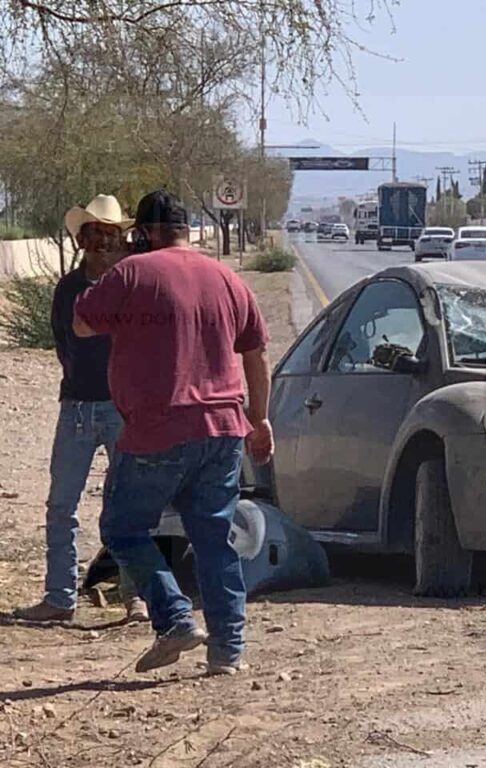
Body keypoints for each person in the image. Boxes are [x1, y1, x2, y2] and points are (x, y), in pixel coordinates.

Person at [73, 190, 274, 675]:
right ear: (187, 230)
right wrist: (261, 419)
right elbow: (256, 354)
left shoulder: (132, 273)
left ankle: (175, 618)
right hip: (224, 428)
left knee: (123, 527)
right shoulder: (228, 278)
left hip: (157, 428)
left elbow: (81, 323)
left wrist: (118, 269)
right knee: (213, 538)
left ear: (142, 233)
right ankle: (227, 651)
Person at [15, 195, 148, 624]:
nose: (103, 242)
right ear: (82, 240)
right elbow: (62, 343)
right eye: (95, 234)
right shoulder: (68, 289)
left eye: (111, 234)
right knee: (61, 507)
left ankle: (136, 598)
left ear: (122, 239)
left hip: (122, 407)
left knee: (128, 505)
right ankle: (59, 598)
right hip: (75, 407)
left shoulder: (134, 286)